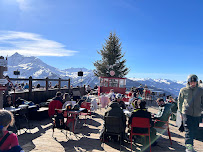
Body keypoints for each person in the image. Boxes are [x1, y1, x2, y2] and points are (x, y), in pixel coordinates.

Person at [178, 74, 203, 152]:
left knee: (194, 130)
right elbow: (180, 101)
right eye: (191, 82)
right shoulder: (183, 90)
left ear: (196, 82)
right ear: (188, 82)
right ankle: (189, 147)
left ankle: (190, 146)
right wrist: (181, 112)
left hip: (197, 113)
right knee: (188, 130)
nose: (193, 83)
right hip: (186, 113)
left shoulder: (201, 90)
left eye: (194, 82)